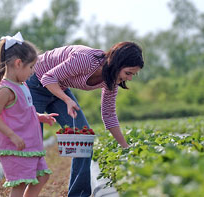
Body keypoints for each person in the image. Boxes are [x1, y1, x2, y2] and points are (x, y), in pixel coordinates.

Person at [25, 42, 144, 196]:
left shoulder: (111, 82)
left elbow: (108, 115)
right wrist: (67, 100)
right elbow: (48, 78)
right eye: (128, 73)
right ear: (117, 64)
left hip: (58, 87)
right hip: (35, 82)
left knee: (83, 137)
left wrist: (125, 146)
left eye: (132, 75)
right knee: (33, 145)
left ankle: (78, 195)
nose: (129, 78)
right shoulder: (86, 59)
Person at [0, 32, 58, 197]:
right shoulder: (6, 90)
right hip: (15, 146)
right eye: (31, 67)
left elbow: (24, 110)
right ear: (19, 63)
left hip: (29, 144)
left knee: (43, 176)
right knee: (19, 184)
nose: (32, 72)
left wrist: (40, 116)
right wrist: (12, 136)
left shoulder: (22, 85)